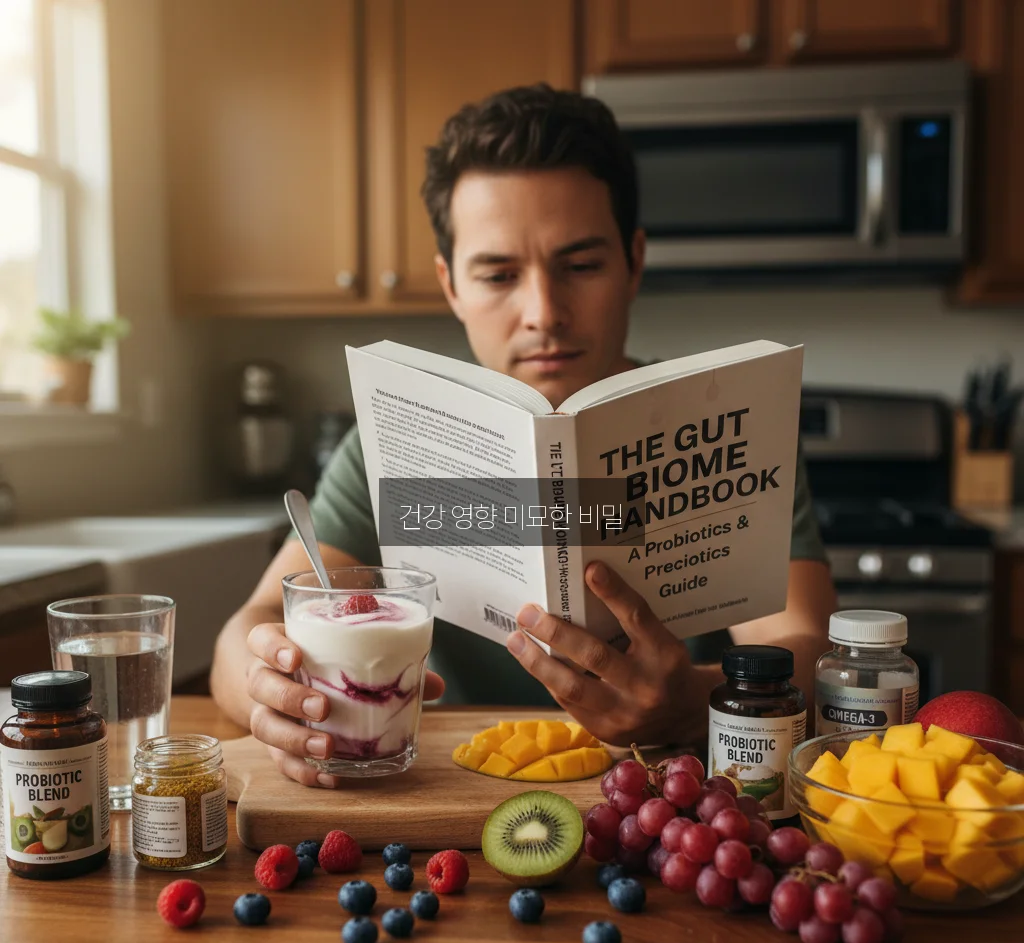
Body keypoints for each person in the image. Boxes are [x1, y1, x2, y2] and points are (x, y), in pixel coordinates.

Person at [210, 84, 837, 788]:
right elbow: (253, 624)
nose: (543, 312)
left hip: (662, 795)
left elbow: (808, 648)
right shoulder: (393, 444)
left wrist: (699, 700)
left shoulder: (735, 423)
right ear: (450, 286)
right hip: (457, 788)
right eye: (499, 274)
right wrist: (272, 692)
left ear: (634, 261)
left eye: (580, 265)